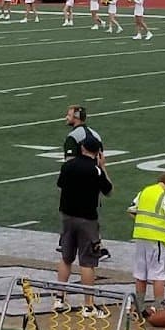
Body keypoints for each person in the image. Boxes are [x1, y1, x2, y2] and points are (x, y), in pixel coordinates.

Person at [55, 135, 113, 316]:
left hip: (67, 216)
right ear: (98, 152)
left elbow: (60, 185)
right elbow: (108, 190)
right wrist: (103, 167)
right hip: (87, 219)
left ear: (82, 148)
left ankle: (59, 298)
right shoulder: (95, 170)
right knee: (87, 262)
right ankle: (88, 305)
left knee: (66, 258)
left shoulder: (68, 165)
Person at [127, 173, 165, 311]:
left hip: (140, 237)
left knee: (141, 274)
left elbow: (131, 211)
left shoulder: (144, 192)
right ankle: (158, 306)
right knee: (158, 274)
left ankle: (139, 306)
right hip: (156, 239)